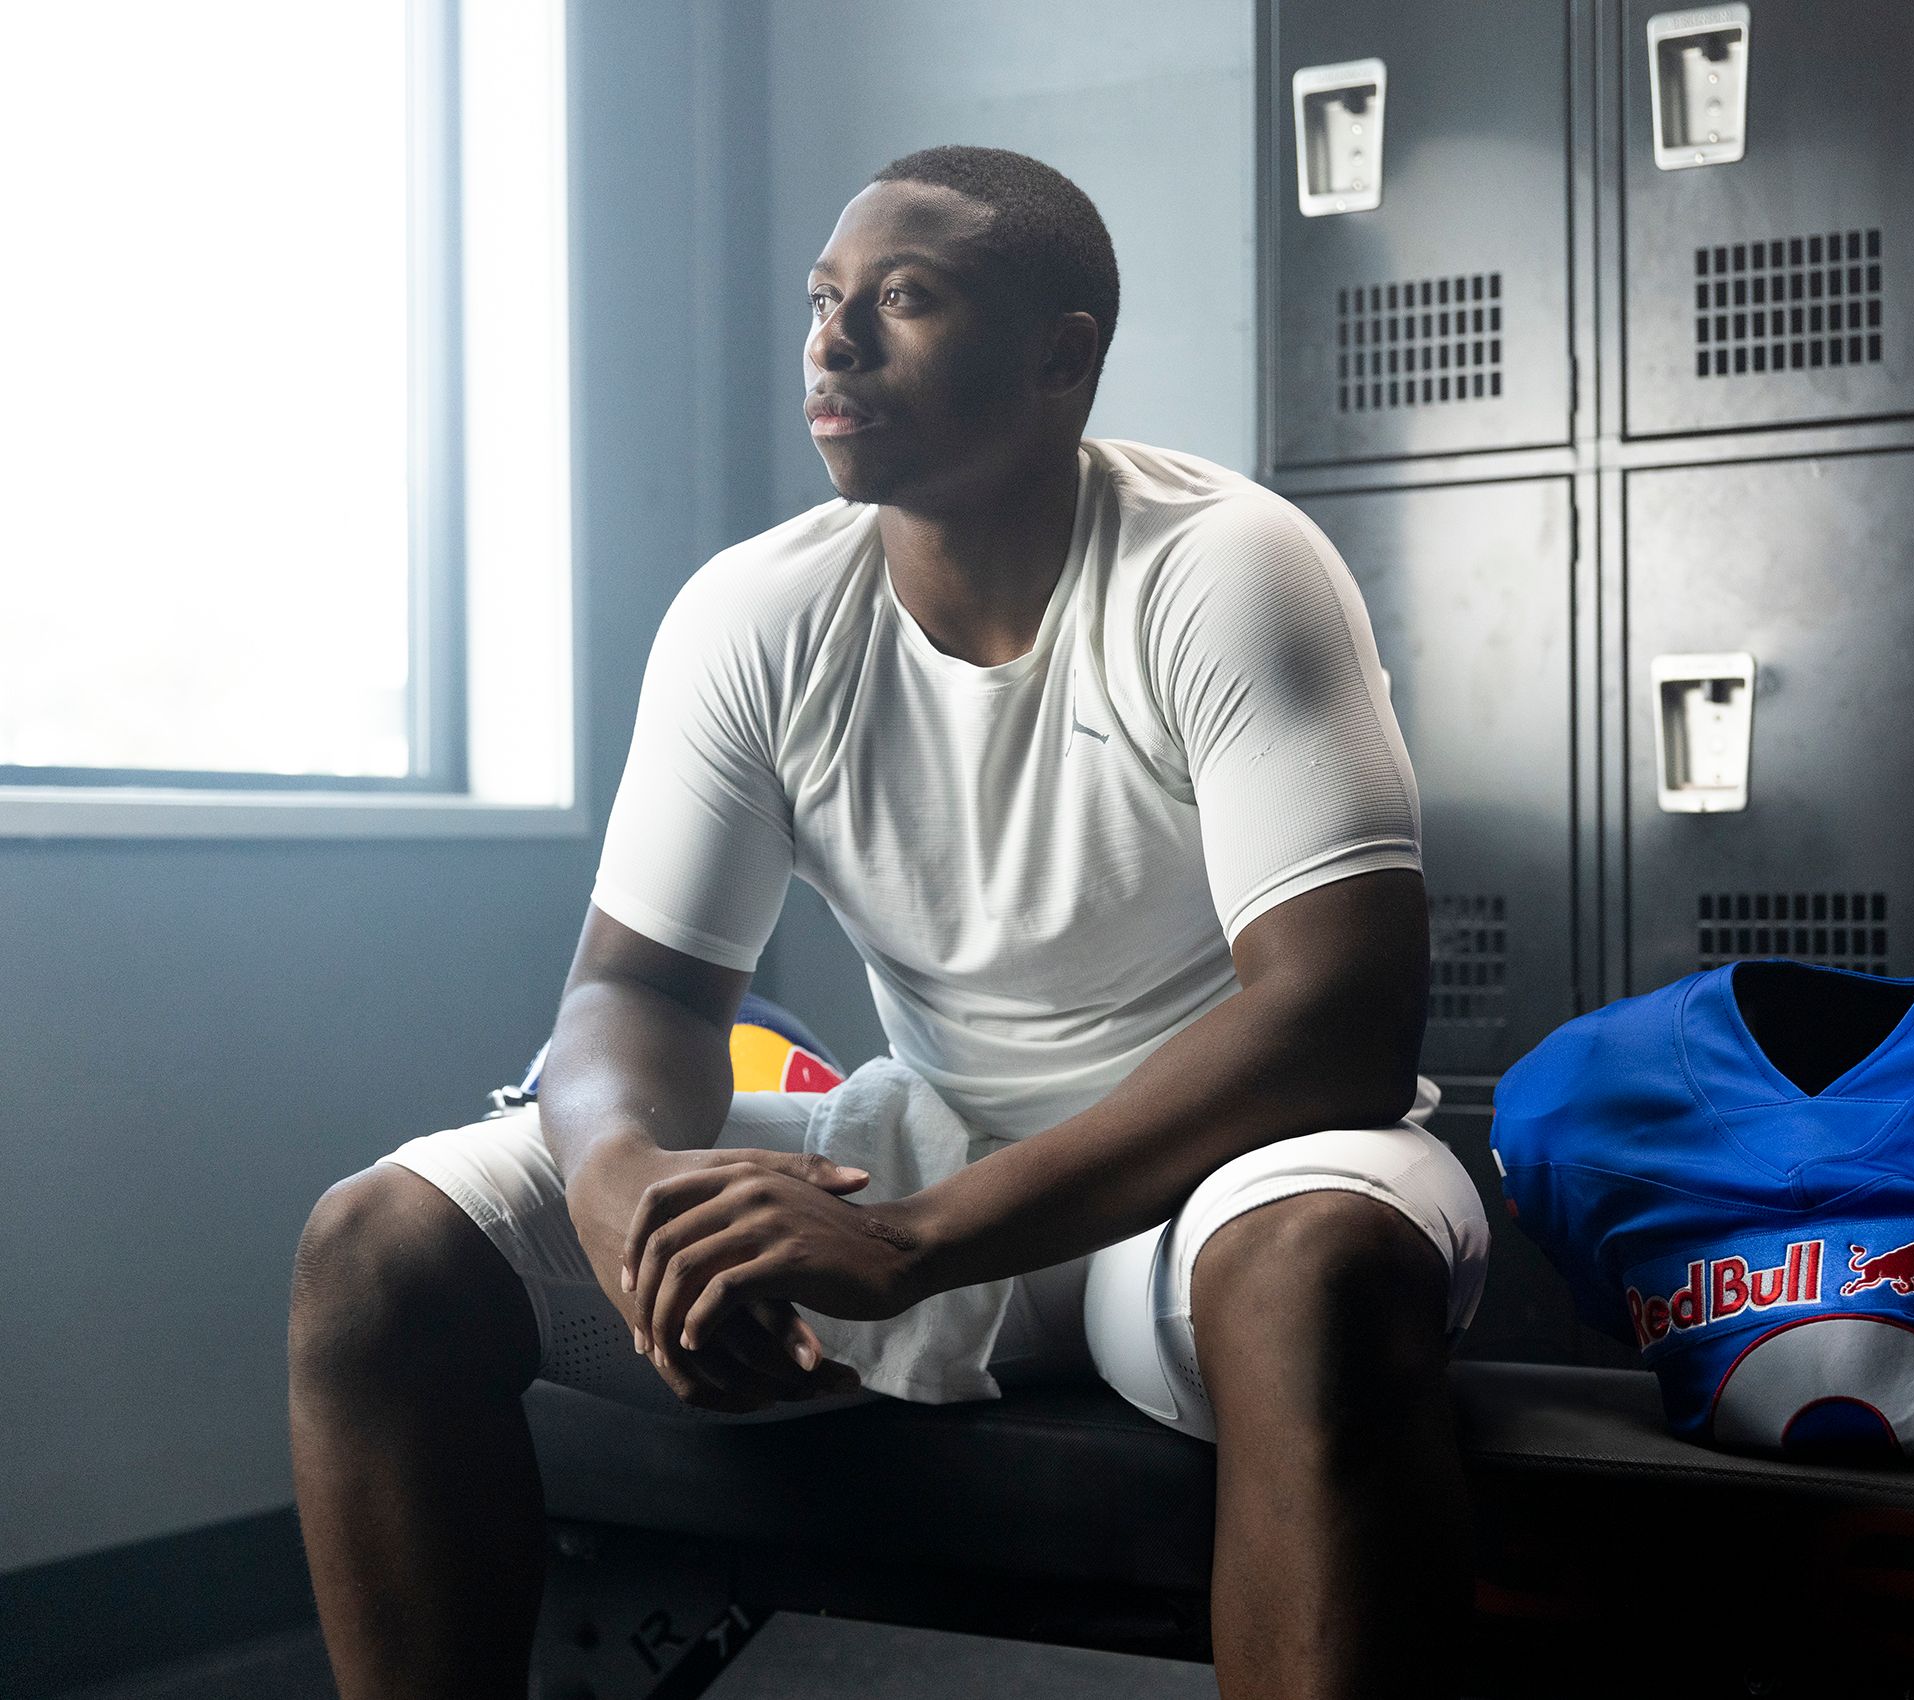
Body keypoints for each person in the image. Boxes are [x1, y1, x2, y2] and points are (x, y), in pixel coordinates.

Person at [285, 144, 1490, 1700]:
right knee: (375, 1251)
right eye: (823, 303)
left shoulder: (1225, 568)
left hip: (1225, 1177)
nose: (835, 342)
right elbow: (632, 996)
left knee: (1318, 1273)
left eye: (903, 300)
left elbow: (1335, 1018)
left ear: (1064, 355)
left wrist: (914, 1240)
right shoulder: (758, 611)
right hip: (930, 1145)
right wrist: (625, 1195)